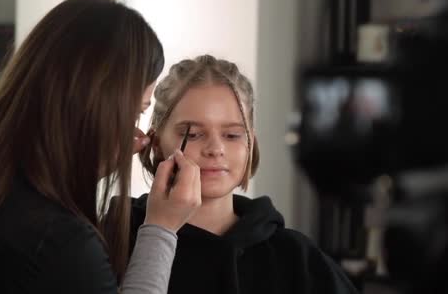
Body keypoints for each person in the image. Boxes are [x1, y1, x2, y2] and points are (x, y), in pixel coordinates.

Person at [0, 0, 201, 294]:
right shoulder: (60, 244)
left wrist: (86, 164)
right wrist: (161, 228)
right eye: (135, 112)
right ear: (101, 107)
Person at [127, 54, 359, 294]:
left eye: (232, 135)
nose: (215, 149)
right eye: (194, 134)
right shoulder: (117, 236)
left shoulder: (296, 258)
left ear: (250, 143)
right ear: (155, 142)